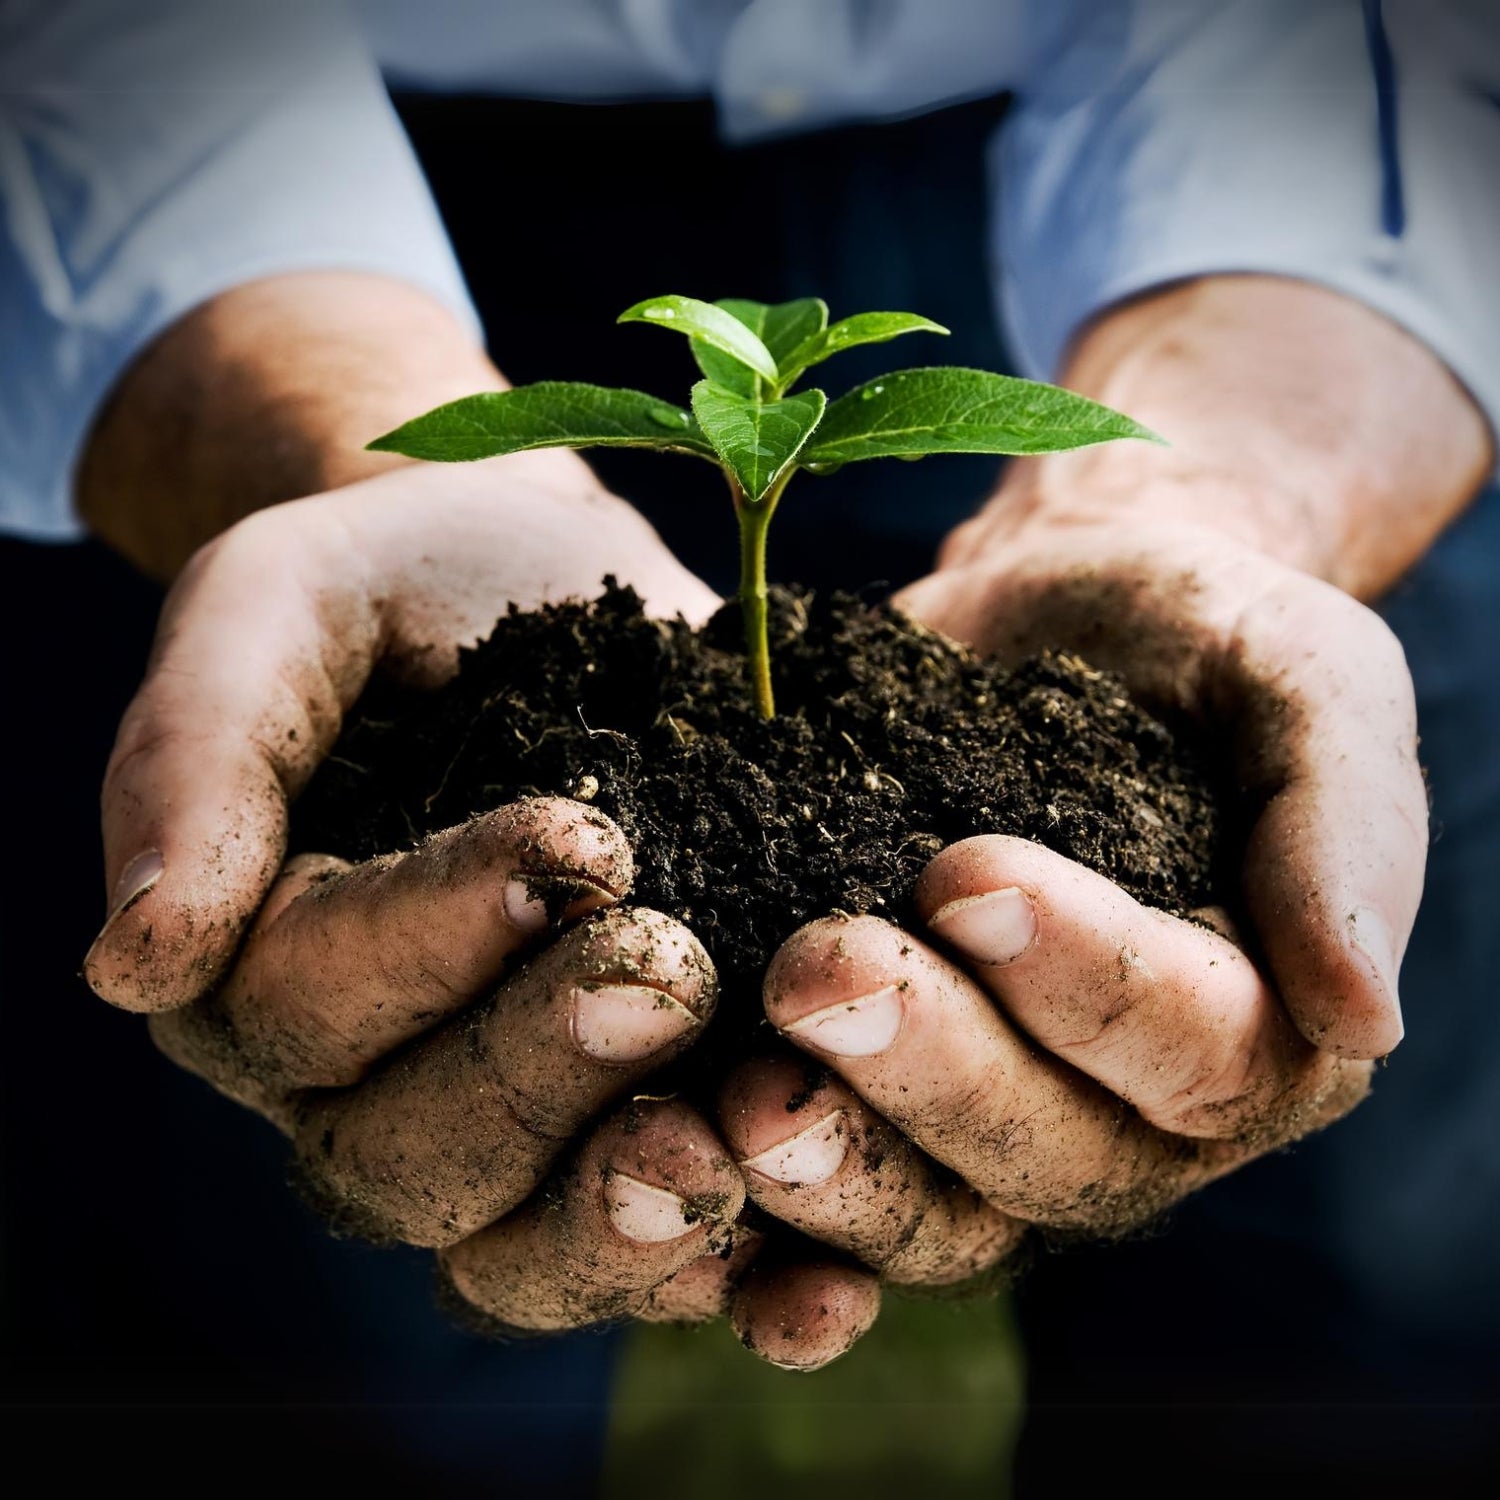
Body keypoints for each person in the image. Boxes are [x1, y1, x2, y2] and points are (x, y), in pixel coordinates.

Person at [2, 0, 1496, 1490]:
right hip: (284, 199)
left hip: (1172, 215)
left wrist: (1220, 496)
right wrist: (302, 427)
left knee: (1355, 1299)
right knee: (285, 1339)